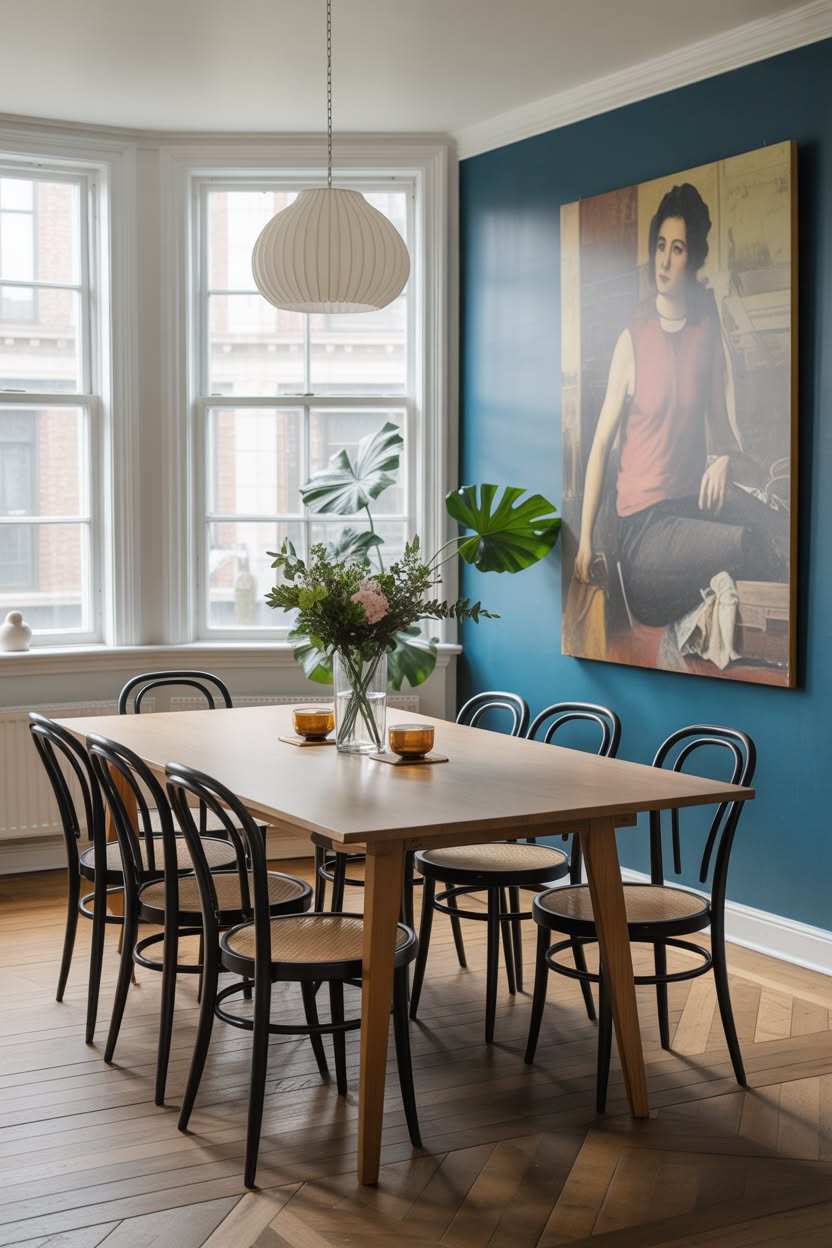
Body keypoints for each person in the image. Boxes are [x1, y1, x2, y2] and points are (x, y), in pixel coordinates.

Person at [574, 182, 786, 628]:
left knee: (781, 528)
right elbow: (598, 448)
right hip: (643, 538)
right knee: (749, 544)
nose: (665, 261)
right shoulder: (632, 339)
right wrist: (585, 541)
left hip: (692, 507)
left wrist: (725, 456)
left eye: (678, 249)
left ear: (694, 259)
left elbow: (723, 422)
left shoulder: (707, 332)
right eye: (660, 246)